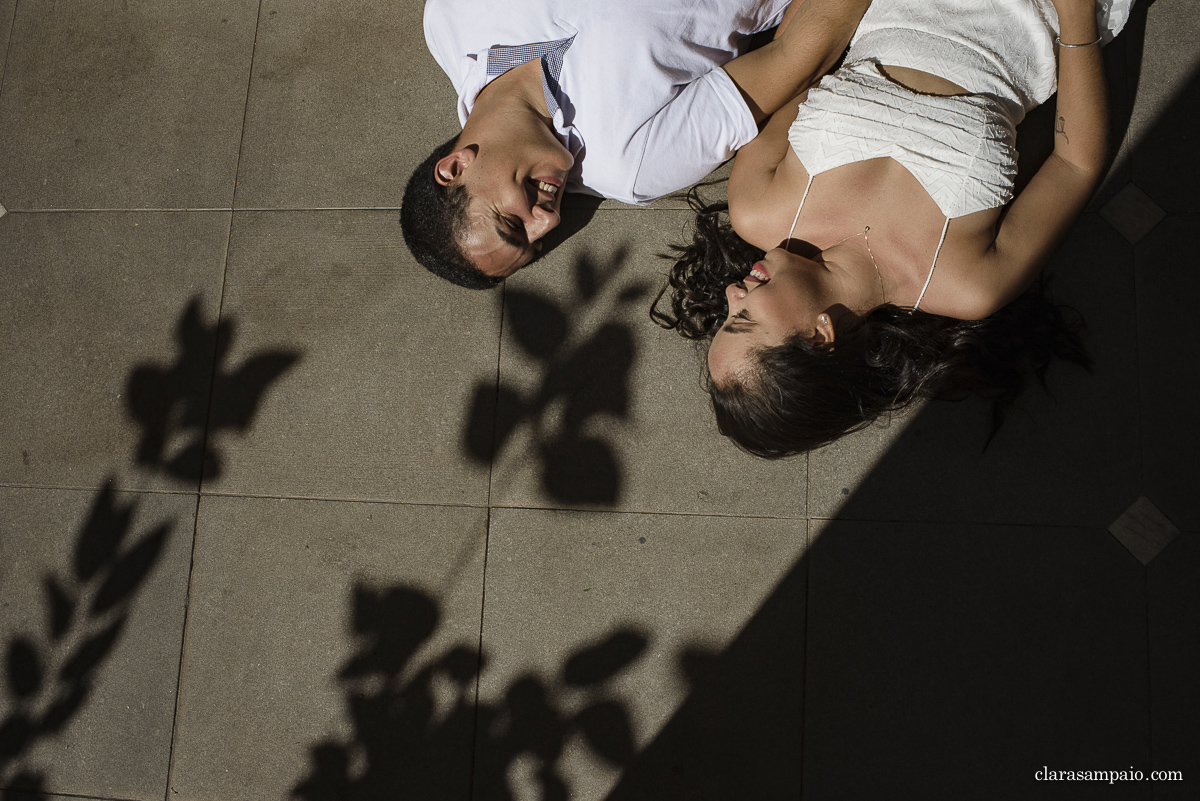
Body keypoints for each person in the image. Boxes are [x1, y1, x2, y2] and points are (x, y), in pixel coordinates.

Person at [653, 0, 1133, 458]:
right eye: (743, 317)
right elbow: (1075, 164)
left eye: (724, 315)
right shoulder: (965, 284)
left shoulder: (759, 209)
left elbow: (801, 60)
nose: (731, 293)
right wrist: (1075, 17)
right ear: (820, 337)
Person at [402, 0, 873, 289]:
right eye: (538, 243)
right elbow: (799, 56)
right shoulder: (631, 164)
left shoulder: (449, 18)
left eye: (512, 223)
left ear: (454, 168)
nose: (547, 220)